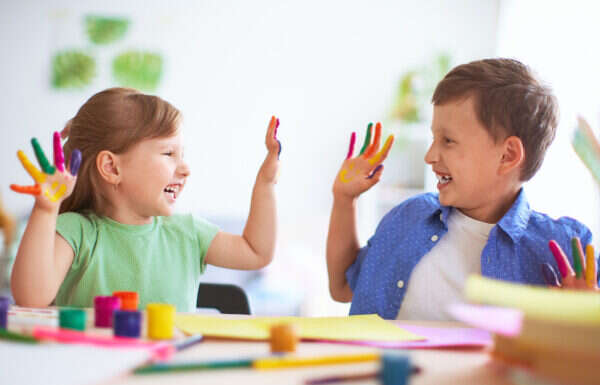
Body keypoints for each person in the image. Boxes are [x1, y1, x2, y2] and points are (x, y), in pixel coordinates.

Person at [326, 58, 597, 321]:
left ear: (507, 155)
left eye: (448, 140)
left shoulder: (566, 250)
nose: (430, 156)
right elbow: (342, 287)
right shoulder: (408, 217)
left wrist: (589, 315)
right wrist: (344, 199)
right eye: (434, 138)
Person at [10, 87, 280, 311]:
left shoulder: (188, 233)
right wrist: (46, 209)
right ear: (112, 168)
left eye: (182, 155)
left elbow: (256, 252)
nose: (185, 168)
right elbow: (30, 298)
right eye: (168, 154)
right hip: (91, 360)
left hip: (167, 362)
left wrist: (265, 183)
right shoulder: (77, 232)